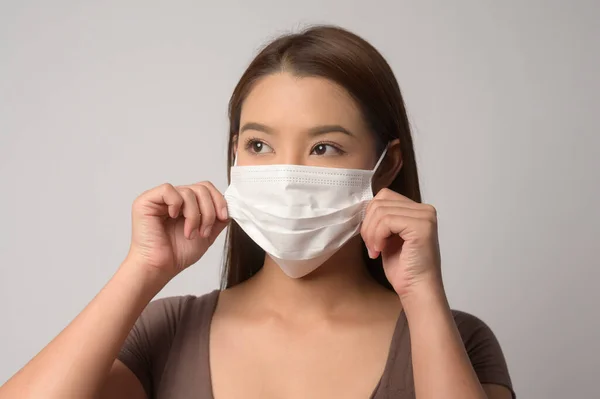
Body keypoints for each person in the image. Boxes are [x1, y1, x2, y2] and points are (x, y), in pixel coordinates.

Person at [0, 25, 515, 399]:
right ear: (234, 156)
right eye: (260, 145)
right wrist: (143, 268)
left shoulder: (458, 339)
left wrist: (424, 296)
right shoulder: (168, 331)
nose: (286, 173)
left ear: (386, 166)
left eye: (324, 149)